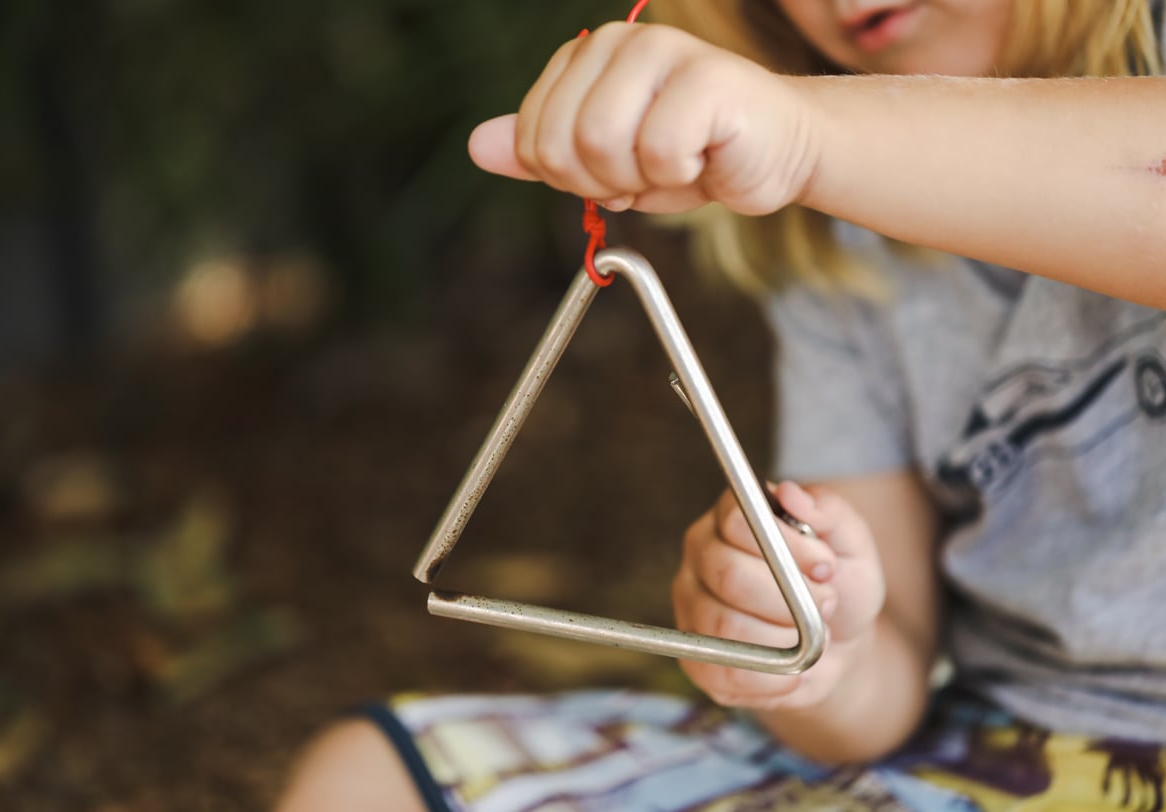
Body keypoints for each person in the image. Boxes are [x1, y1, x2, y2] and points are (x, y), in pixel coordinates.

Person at [278, 1, 1166, 809]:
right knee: (366, 780)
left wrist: (811, 137)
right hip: (1008, 751)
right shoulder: (843, 256)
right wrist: (817, 644)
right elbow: (878, 691)